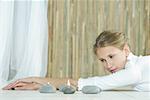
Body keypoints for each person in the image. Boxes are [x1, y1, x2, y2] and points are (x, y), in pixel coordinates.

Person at [3, 31, 150, 91]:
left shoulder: (133, 70)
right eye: (103, 60)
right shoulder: (137, 67)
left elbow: (79, 84)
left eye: (111, 57)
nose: (108, 65)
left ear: (125, 50)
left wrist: (36, 80)